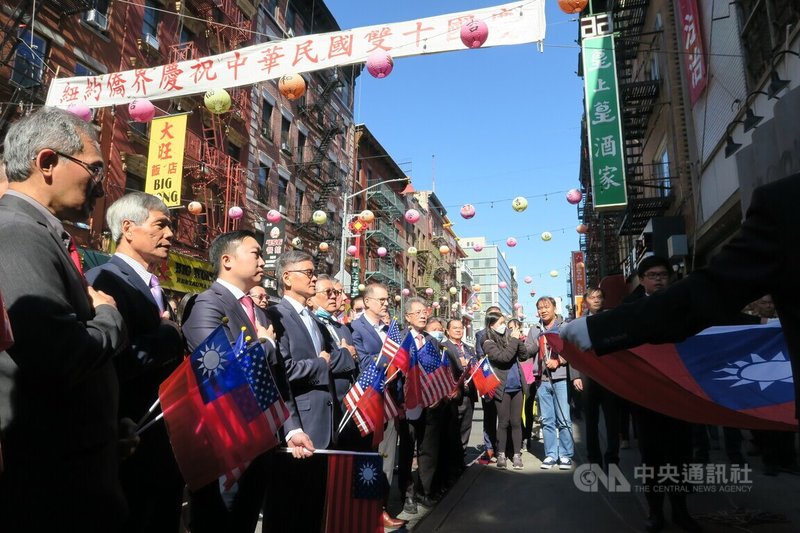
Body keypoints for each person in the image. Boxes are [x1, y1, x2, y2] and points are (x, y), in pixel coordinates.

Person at [0, 107, 128, 532]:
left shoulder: (40, 231)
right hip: (52, 487)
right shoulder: (17, 232)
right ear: (48, 162)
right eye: (94, 168)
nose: (100, 184)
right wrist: (109, 316)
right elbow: (60, 355)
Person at [182, 230, 313, 533]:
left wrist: (291, 427)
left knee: (246, 518)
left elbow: (277, 377)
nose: (263, 260)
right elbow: (218, 369)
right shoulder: (207, 304)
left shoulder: (260, 313)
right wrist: (265, 345)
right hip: (225, 444)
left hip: (261, 440)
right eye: (255, 253)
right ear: (227, 260)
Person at [566, 256, 700, 532]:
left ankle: (680, 509)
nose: (659, 279)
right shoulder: (630, 309)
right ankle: (655, 512)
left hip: (680, 391)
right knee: (651, 455)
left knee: (680, 454)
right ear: (641, 279)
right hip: (647, 394)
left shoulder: (685, 303)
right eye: (652, 275)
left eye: (663, 274)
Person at [85, 192, 185, 533]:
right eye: (161, 225)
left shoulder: (155, 286)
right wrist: (170, 336)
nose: (170, 235)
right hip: (132, 442)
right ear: (128, 228)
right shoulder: (104, 280)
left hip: (164, 444)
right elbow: (112, 356)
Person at [267, 250, 351, 532]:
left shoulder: (314, 320)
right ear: (287, 278)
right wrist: (319, 364)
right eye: (308, 272)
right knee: (288, 509)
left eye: (314, 272)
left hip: (326, 425)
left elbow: (339, 357)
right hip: (297, 425)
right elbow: (282, 370)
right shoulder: (276, 315)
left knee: (314, 507)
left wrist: (330, 360)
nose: (314, 278)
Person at [571, 287, 620, 469]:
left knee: (612, 421)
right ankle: (594, 458)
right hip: (588, 378)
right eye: (592, 297)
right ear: (585, 302)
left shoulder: (612, 319)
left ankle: (613, 457)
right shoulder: (578, 323)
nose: (596, 300)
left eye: (600, 297)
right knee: (590, 421)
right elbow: (573, 351)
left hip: (609, 377)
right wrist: (575, 376)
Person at [527, 296, 575, 470]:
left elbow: (572, 350)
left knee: (564, 418)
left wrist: (559, 361)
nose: (543, 310)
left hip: (560, 378)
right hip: (542, 379)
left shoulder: (564, 327)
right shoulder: (535, 329)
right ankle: (551, 454)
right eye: (540, 308)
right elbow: (528, 351)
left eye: (546, 307)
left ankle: (565, 454)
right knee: (547, 419)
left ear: (554, 308)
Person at [482, 311, 529, 469]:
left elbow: (523, 355)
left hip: (517, 387)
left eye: (505, 323)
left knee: (516, 422)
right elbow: (504, 358)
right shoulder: (487, 342)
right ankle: (501, 453)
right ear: (491, 325)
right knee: (503, 422)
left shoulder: (510, 338)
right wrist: (514, 340)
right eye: (501, 323)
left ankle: (517, 455)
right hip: (501, 388)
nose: (504, 326)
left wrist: (517, 339)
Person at [441, 319, 478, 457]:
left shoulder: (469, 348)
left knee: (465, 428)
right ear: (447, 330)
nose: (458, 330)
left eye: (460, 328)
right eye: (455, 328)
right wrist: (459, 363)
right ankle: (451, 462)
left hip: (469, 393)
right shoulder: (443, 346)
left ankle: (461, 458)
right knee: (452, 429)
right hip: (454, 394)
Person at [476, 305, 502, 463]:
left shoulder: (505, 333)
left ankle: (504, 448)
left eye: (497, 315)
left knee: (504, 418)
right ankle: (490, 448)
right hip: (489, 381)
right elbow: (481, 356)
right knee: (489, 417)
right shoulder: (480, 334)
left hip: (504, 380)